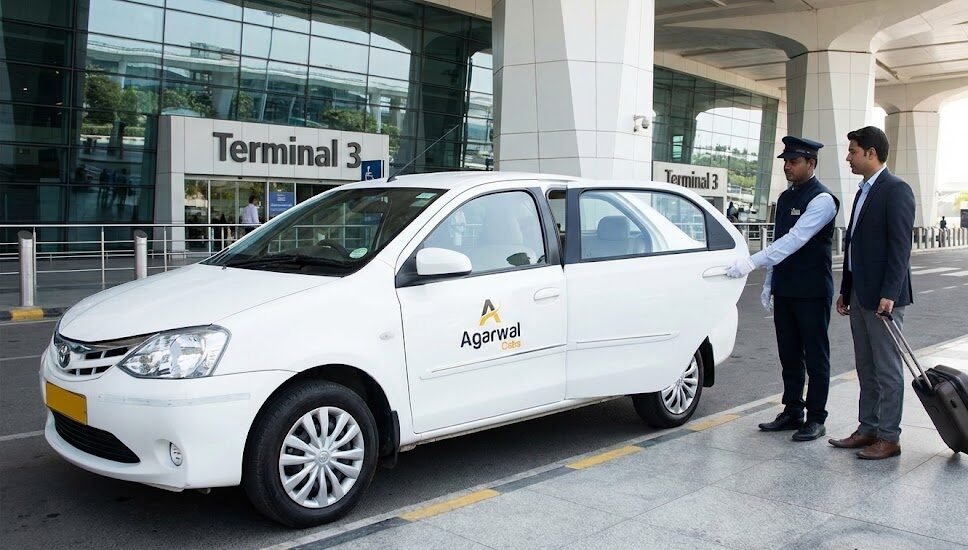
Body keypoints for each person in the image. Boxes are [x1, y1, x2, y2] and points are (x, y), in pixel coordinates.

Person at [726, 136, 840, 441]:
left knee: (815, 357)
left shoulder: (822, 200)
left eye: (794, 161)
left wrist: (752, 263)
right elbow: (779, 242)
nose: (787, 166)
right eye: (786, 161)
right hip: (788, 288)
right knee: (789, 354)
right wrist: (769, 283)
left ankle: (816, 418)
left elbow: (794, 240)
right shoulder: (787, 198)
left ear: (811, 164)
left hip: (812, 290)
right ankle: (792, 411)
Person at [829, 126, 915, 460]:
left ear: (871, 153)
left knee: (888, 369)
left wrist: (889, 293)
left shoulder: (896, 189)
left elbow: (900, 246)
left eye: (852, 151)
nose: (848, 157)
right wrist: (846, 289)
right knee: (866, 366)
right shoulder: (863, 190)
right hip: (861, 294)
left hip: (883, 298)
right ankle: (868, 429)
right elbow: (855, 245)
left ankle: (889, 437)